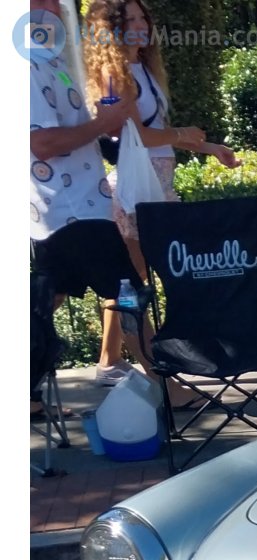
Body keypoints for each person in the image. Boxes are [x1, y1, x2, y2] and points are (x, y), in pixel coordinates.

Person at [27, 0, 148, 395]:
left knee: (44, 301)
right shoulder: (24, 67)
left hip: (77, 206)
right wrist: (102, 123)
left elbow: (75, 131)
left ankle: (24, 393)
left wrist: (103, 125)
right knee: (129, 293)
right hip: (69, 209)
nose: (55, 6)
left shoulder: (54, 63)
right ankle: (166, 386)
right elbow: (40, 143)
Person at [83, 0, 240, 281]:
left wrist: (210, 148)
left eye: (142, 18)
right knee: (132, 280)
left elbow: (159, 132)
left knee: (137, 278)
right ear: (114, 29)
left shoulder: (143, 67)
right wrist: (182, 134)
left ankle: (139, 327)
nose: (140, 25)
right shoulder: (116, 73)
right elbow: (140, 136)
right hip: (138, 186)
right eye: (130, 20)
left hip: (157, 182)